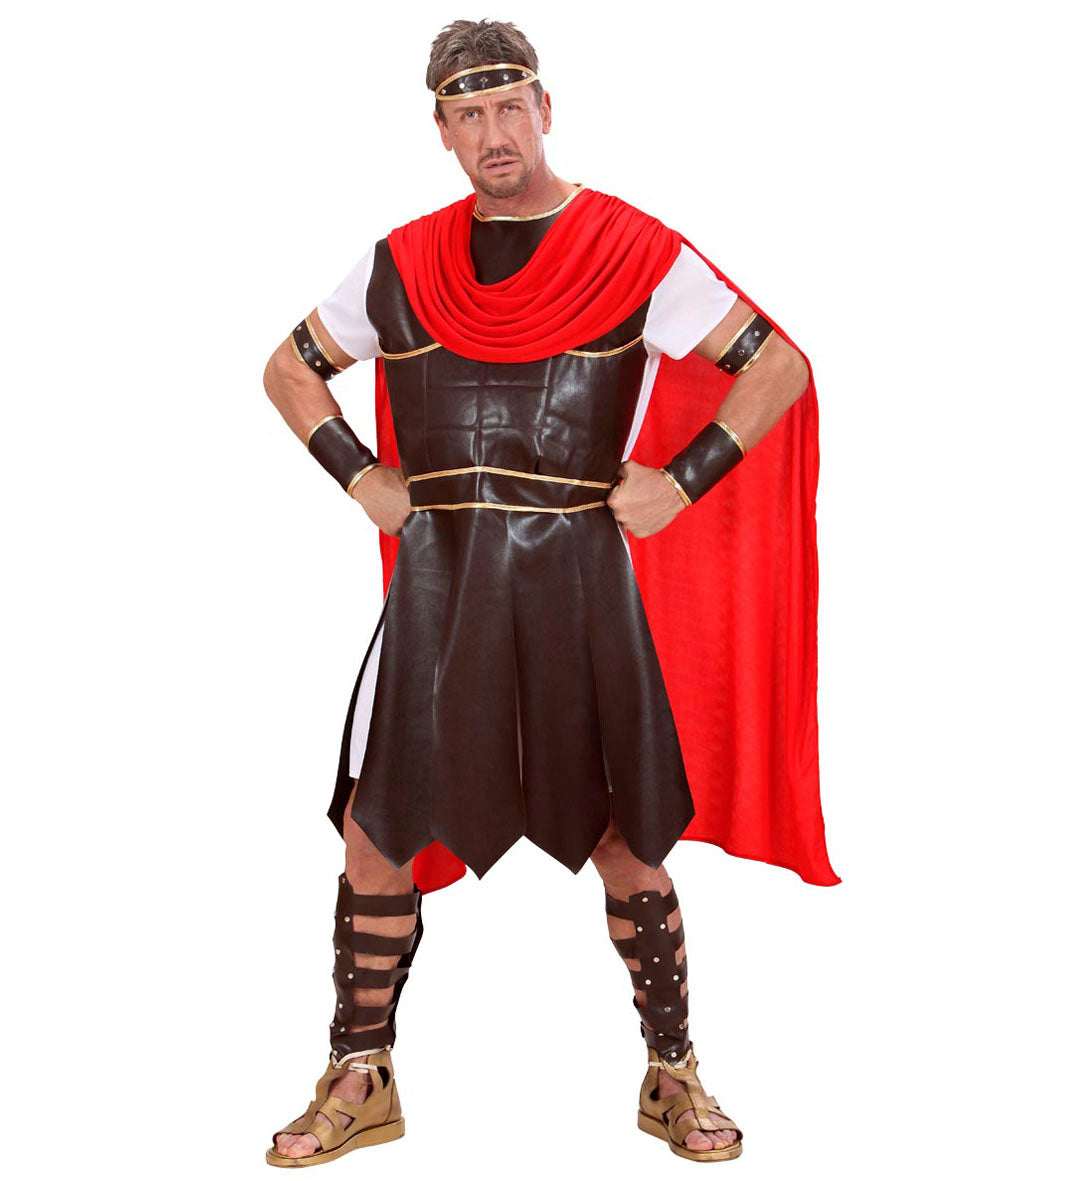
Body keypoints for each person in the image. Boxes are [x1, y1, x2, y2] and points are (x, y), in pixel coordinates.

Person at [261, 17, 838, 1168]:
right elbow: (288, 367)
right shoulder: (400, 263)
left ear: (544, 108)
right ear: (441, 130)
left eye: (508, 107)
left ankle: (672, 1069)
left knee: (627, 831)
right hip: (441, 579)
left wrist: (683, 478)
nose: (493, 133)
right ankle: (358, 1072)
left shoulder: (629, 250)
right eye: (467, 114)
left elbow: (774, 362)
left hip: (578, 580)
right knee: (377, 828)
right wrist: (360, 475)